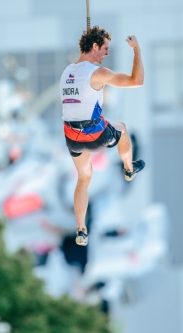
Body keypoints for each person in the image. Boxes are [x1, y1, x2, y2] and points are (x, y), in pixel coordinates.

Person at [59, 26, 145, 246]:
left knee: (84, 178)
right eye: (105, 49)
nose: (106, 54)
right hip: (93, 134)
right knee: (123, 128)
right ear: (95, 46)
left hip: (72, 137)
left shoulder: (67, 72)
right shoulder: (98, 73)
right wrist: (136, 50)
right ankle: (128, 168)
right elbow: (137, 81)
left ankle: (81, 229)